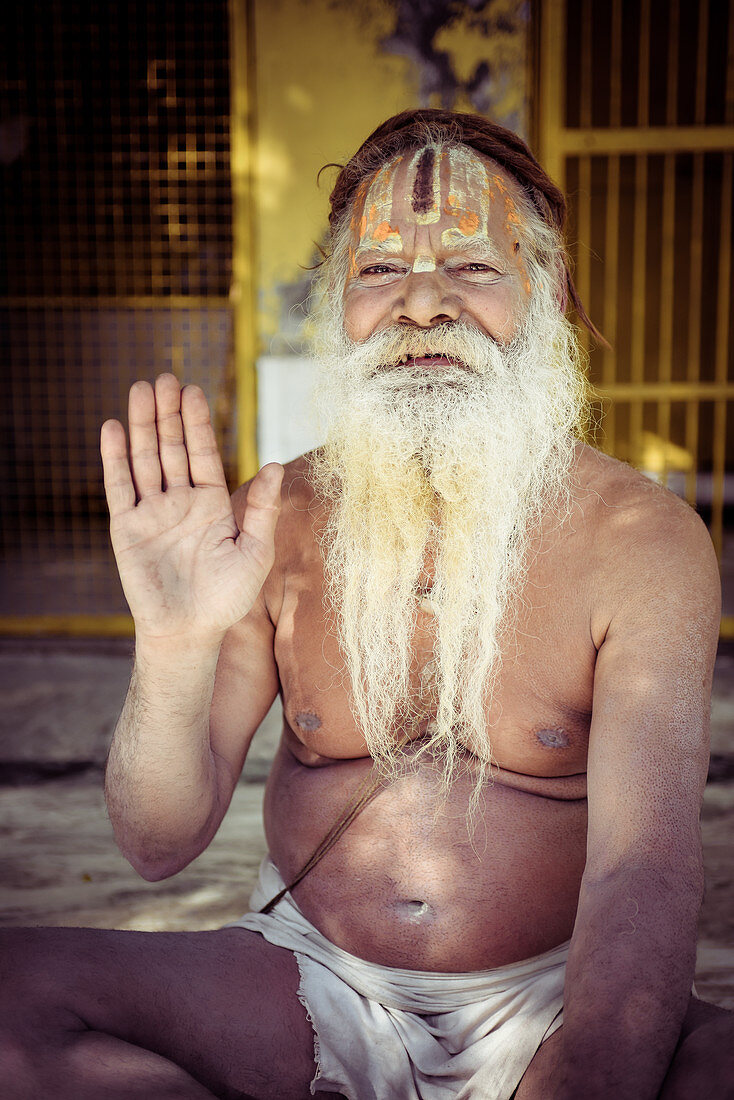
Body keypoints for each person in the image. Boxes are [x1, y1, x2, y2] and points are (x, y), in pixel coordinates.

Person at [1, 108, 732, 1100]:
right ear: (339, 304)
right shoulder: (280, 515)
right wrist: (173, 641)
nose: (419, 305)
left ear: (546, 292)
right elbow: (156, 841)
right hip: (306, 978)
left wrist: (587, 1069)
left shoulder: (641, 539)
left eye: (472, 267)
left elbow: (640, 872)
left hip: (555, 996)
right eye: (379, 270)